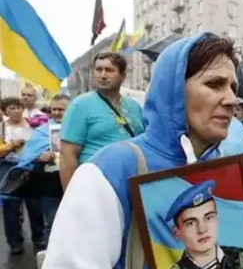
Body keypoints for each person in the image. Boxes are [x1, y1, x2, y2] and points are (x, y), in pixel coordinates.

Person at [33, 33, 243, 269]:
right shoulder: (111, 169)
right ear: (174, 91)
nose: (231, 100)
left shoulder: (219, 167)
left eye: (233, 87)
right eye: (215, 84)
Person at [161, 180, 243, 269]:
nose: (202, 229)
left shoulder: (241, 257)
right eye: (191, 223)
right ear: (176, 232)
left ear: (217, 219)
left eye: (208, 218)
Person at [59, 52, 145, 190]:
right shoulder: (80, 105)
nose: (103, 75)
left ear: (123, 76)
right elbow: (67, 156)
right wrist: (71, 197)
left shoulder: (134, 106)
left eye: (109, 70)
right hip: (96, 186)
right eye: (98, 70)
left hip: (133, 184)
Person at [2, 94, 70, 245]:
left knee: (72, 222)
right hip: (49, 185)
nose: (57, 113)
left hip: (73, 183)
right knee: (52, 222)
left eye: (61, 109)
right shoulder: (42, 131)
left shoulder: (78, 129)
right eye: (54, 109)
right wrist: (40, 156)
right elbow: (27, 155)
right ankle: (48, 257)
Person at [0, 97, 45, 255]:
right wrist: (12, 145)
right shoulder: (2, 128)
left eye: (19, 107)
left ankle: (39, 238)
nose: (17, 111)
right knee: (11, 208)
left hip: (31, 169)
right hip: (10, 170)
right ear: (5, 111)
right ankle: (15, 242)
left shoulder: (33, 124)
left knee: (35, 206)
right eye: (12, 108)